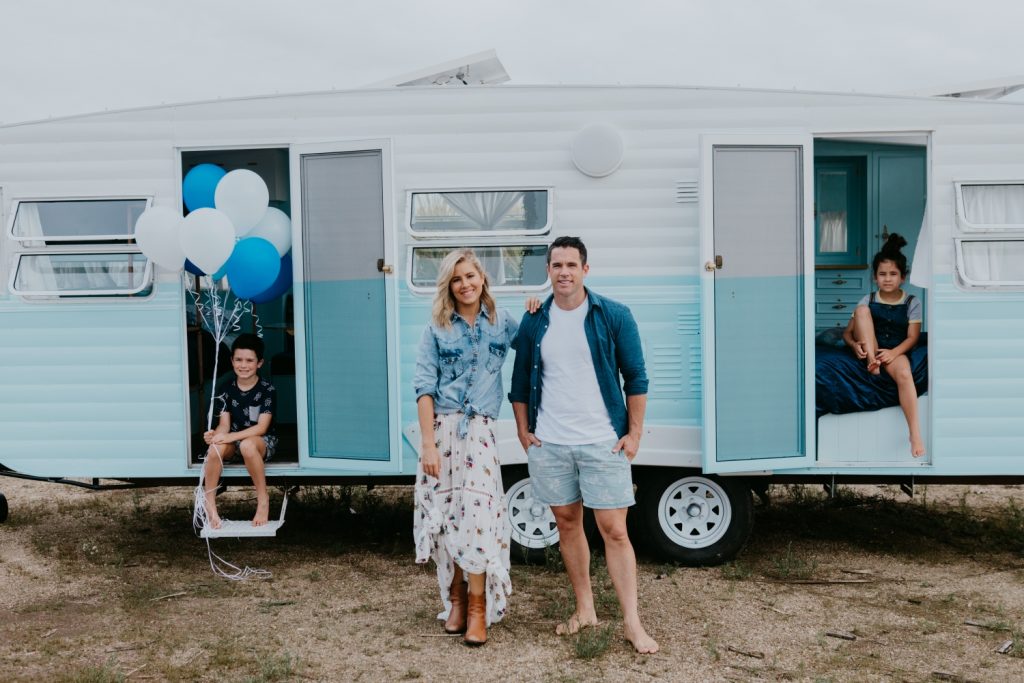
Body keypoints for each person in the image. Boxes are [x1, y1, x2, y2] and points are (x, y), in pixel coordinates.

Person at [509, 236, 659, 655]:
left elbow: (637, 377)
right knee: (568, 525)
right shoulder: (535, 320)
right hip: (552, 442)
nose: (564, 272)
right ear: (548, 270)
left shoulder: (613, 315)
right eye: (556, 265)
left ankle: (632, 623)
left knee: (614, 530)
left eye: (571, 265)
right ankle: (585, 609)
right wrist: (524, 431)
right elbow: (520, 381)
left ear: (585, 270)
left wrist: (634, 432)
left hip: (602, 442)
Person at [412, 249, 528, 646]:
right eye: (457, 279)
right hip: (442, 433)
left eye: (471, 276)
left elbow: (534, 346)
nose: (465, 284)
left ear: (483, 279)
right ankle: (456, 600)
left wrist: (535, 311)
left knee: (477, 519)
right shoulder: (436, 329)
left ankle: (479, 607)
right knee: (447, 521)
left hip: (480, 434)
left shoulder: (502, 323)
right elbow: (424, 389)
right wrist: (427, 445)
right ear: (449, 285)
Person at [842, 233, 925, 457]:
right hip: (871, 347)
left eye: (893, 274)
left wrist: (893, 353)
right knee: (861, 311)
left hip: (894, 349)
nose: (887, 279)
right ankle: (872, 363)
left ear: (903, 277)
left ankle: (915, 434)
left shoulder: (912, 302)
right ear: (875, 277)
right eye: (882, 274)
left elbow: (913, 338)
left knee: (905, 375)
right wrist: (853, 345)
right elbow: (848, 333)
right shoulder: (867, 300)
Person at [202, 333, 278, 528]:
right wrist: (217, 435)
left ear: (259, 363)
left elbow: (261, 427)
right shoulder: (225, 389)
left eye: (249, 360)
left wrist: (230, 436)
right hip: (234, 439)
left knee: (247, 446)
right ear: (232, 361)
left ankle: (262, 499)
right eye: (238, 360)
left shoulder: (267, 390)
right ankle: (209, 503)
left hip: (260, 441)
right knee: (215, 449)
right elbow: (225, 424)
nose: (243, 365)